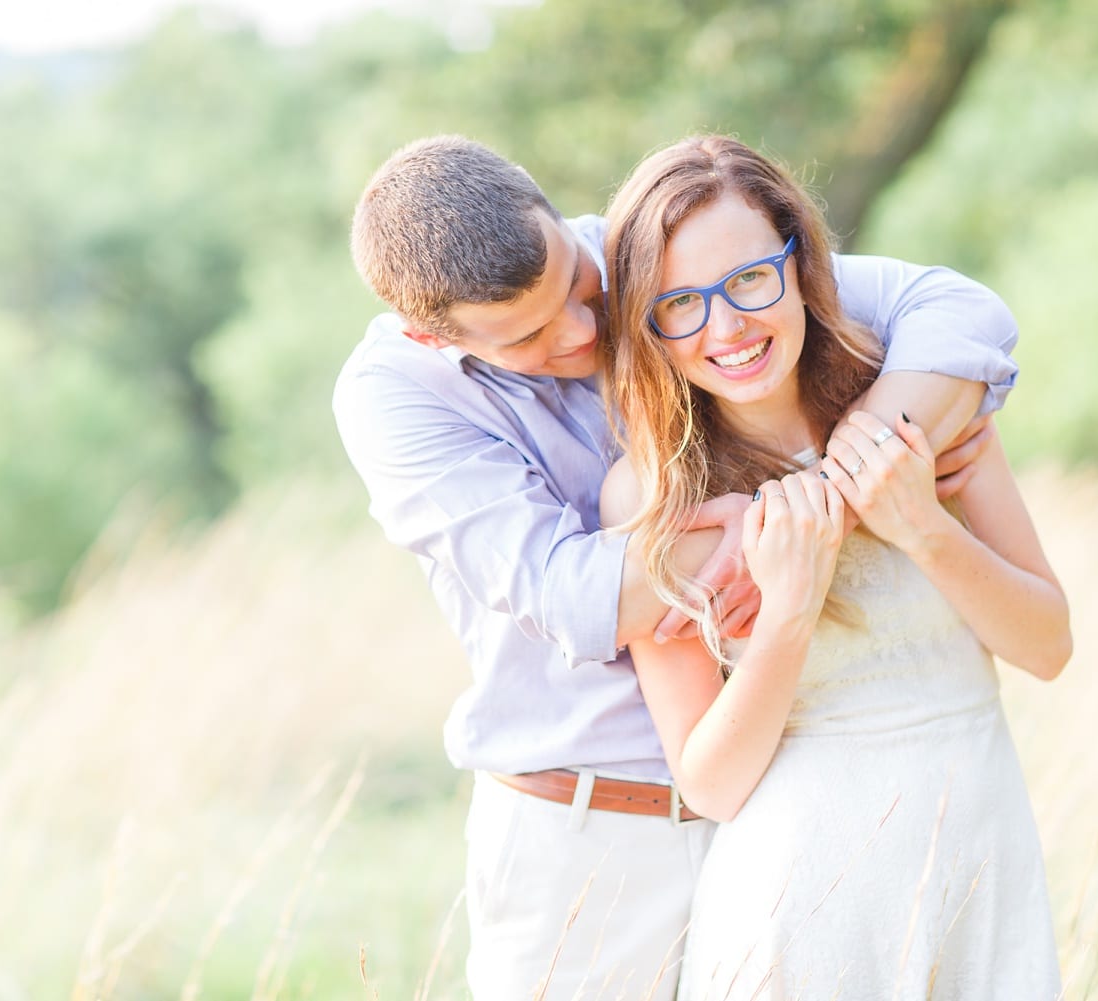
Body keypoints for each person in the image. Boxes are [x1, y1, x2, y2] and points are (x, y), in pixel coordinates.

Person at [334, 134, 1024, 1000]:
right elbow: (574, 596)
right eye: (531, 335)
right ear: (427, 336)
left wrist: (862, 466)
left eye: (577, 287)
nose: (584, 330)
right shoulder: (395, 396)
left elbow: (957, 310)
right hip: (589, 835)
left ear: (553, 214)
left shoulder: (649, 254)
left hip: (782, 807)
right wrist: (784, 529)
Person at [598, 134, 1069, 999]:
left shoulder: (919, 399)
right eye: (680, 304)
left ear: (799, 260)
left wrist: (922, 525)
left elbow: (1048, 645)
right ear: (648, 326)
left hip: (982, 861)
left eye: (748, 280)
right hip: (802, 904)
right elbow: (708, 781)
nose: (727, 327)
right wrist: (788, 611)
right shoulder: (655, 495)